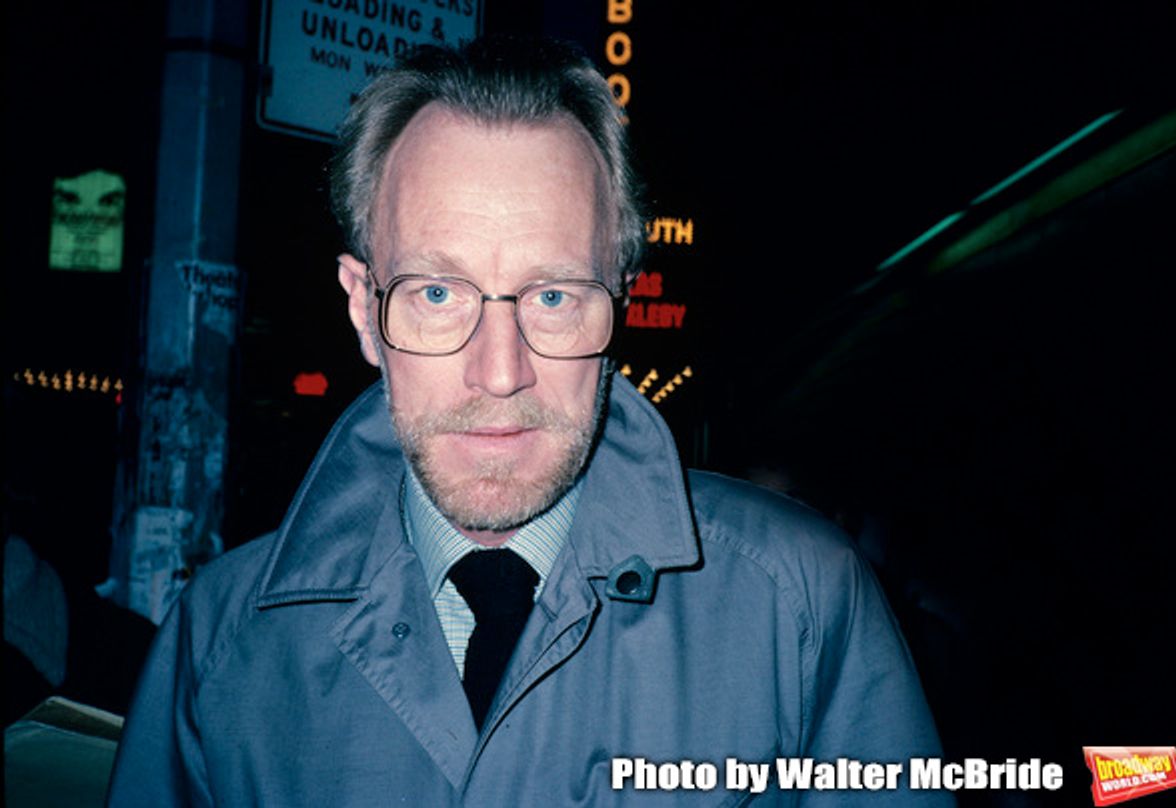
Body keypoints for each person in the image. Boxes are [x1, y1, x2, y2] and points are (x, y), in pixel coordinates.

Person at [107, 36, 948, 806]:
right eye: (436, 295)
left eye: (553, 297)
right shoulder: (217, 643)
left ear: (616, 302)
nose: (501, 372)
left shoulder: (800, 607)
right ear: (364, 309)